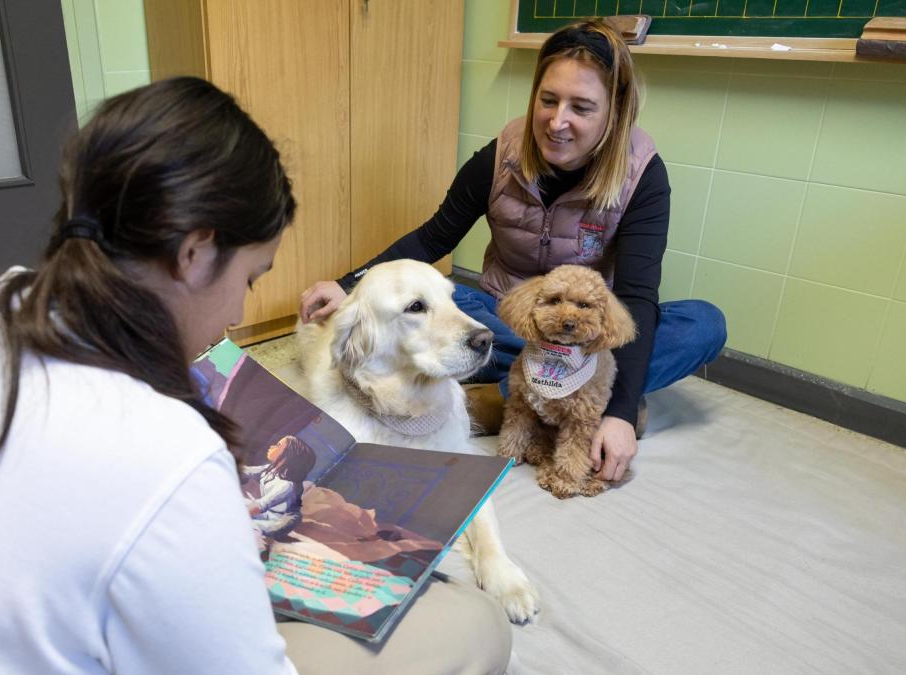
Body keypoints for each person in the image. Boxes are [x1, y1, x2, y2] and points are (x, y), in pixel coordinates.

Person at [0, 77, 512, 674]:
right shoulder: (170, 452)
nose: (239, 310)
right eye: (250, 276)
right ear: (196, 252)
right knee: (474, 623)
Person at [299, 19, 726, 485]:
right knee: (431, 304)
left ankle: (505, 401)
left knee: (701, 324)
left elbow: (638, 296)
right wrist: (348, 285)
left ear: (615, 113)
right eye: (548, 100)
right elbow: (434, 237)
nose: (557, 121)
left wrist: (620, 413)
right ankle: (550, 401)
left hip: (581, 339)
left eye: (581, 108)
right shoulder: (501, 154)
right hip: (504, 320)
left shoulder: (643, 175)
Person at [244, 435, 317, 549]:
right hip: (268, 512)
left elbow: (259, 506)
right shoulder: (271, 469)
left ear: (288, 457)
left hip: (280, 522)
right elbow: (249, 471)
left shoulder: (286, 485)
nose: (272, 446)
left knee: (249, 526)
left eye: (278, 446)